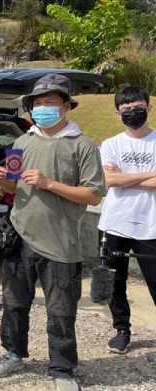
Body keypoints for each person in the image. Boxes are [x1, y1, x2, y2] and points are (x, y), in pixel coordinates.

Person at [0, 74, 106, 391]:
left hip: (61, 243)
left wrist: (49, 183)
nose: (42, 109)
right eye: (37, 104)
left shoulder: (82, 146)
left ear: (66, 107)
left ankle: (62, 369)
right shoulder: (23, 141)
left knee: (61, 311)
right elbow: (12, 186)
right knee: (13, 303)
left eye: (49, 103)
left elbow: (94, 195)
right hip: (21, 236)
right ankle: (13, 353)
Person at [97, 85, 156, 355]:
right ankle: (122, 330)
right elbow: (109, 180)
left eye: (138, 108)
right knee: (113, 281)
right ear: (118, 114)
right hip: (114, 223)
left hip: (151, 224)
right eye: (127, 111)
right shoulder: (110, 144)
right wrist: (148, 176)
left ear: (149, 107)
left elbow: (118, 180)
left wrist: (125, 178)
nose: (133, 113)